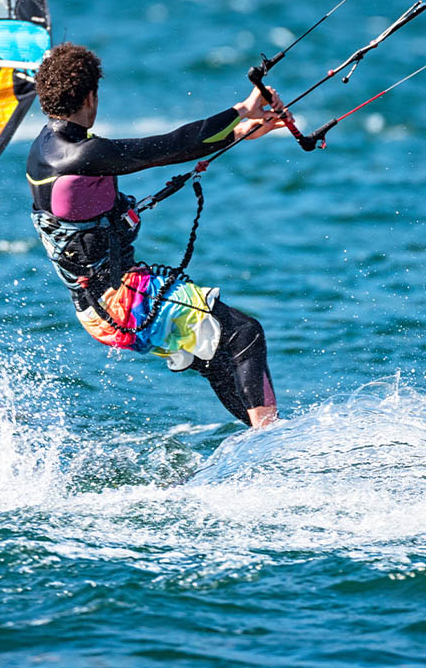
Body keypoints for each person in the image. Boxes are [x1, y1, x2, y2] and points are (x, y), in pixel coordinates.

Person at [27, 42, 288, 428]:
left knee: (218, 353)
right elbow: (170, 146)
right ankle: (274, 444)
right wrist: (241, 111)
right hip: (118, 301)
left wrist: (238, 133)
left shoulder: (45, 148)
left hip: (97, 304)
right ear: (90, 95)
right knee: (245, 334)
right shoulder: (81, 156)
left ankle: (259, 437)